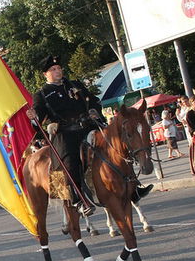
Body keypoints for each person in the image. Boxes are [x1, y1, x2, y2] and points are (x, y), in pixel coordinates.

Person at [27, 55, 152, 213]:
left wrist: (93, 111)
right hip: (66, 133)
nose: (58, 71)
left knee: (116, 148)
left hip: (88, 126)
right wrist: (34, 117)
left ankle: (134, 188)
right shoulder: (42, 94)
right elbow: (38, 117)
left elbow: (93, 100)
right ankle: (77, 200)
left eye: (59, 68)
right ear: (45, 74)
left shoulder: (75, 84)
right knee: (70, 162)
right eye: (53, 69)